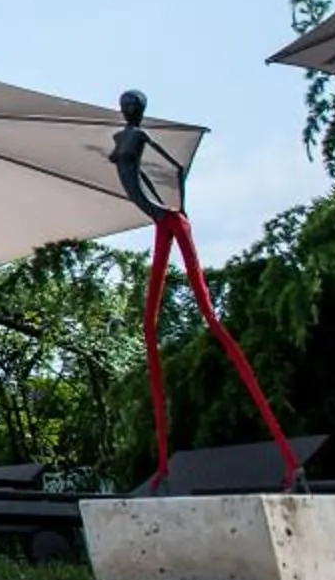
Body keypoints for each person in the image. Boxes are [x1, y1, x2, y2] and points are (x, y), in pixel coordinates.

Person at [114, 90, 301, 492]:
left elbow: (174, 166)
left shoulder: (141, 138)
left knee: (209, 317)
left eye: (129, 105)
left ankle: (288, 458)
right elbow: (137, 173)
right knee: (149, 325)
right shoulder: (125, 137)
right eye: (124, 105)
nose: (125, 109)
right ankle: (163, 466)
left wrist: (172, 201)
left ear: (136, 109)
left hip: (171, 220)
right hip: (160, 219)